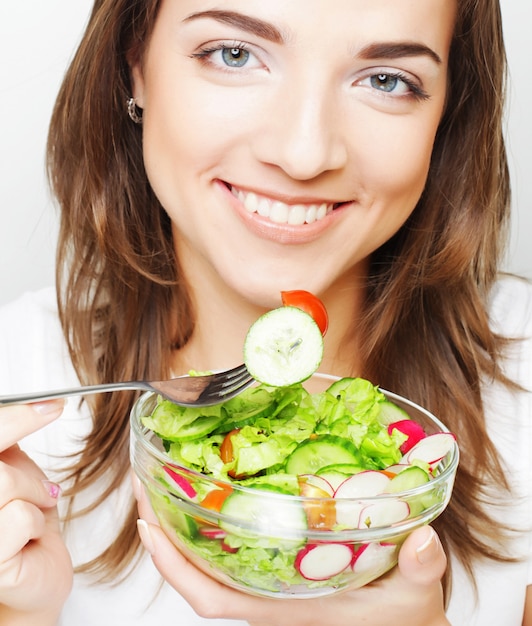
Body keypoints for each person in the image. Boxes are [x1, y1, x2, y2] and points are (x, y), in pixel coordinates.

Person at [0, 0, 530, 624]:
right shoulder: (16, 369)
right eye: (235, 54)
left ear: (447, 112)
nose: (304, 155)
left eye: (386, 80)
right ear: (134, 63)